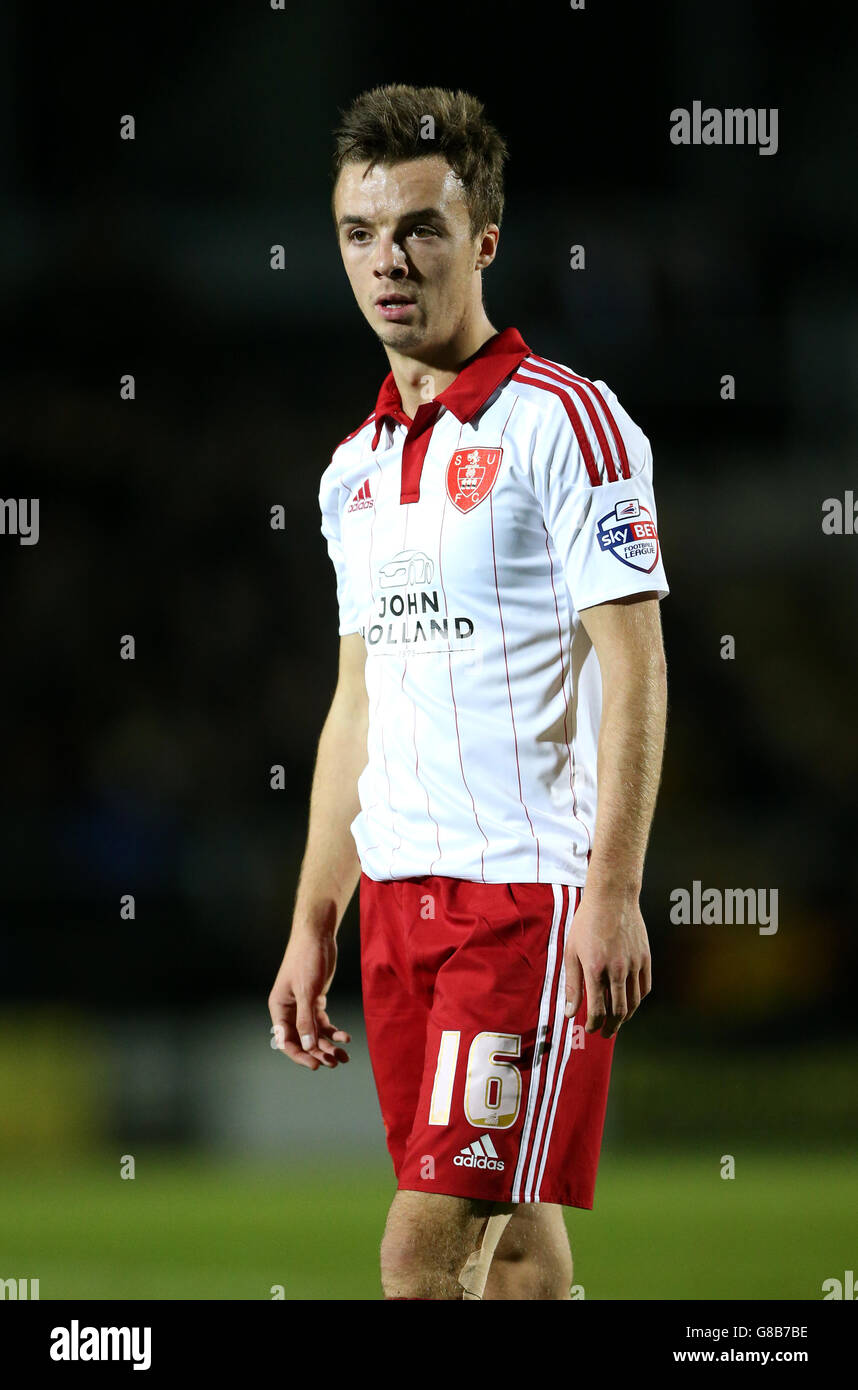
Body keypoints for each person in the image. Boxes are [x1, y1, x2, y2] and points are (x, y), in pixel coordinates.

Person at [269, 84, 669, 1301]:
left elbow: (636, 668)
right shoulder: (355, 471)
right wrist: (313, 918)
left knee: (420, 1253)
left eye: (420, 229)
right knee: (520, 1256)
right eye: (358, 233)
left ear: (483, 241)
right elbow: (358, 705)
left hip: (527, 908)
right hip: (396, 901)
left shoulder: (570, 424)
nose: (388, 260)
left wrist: (612, 894)